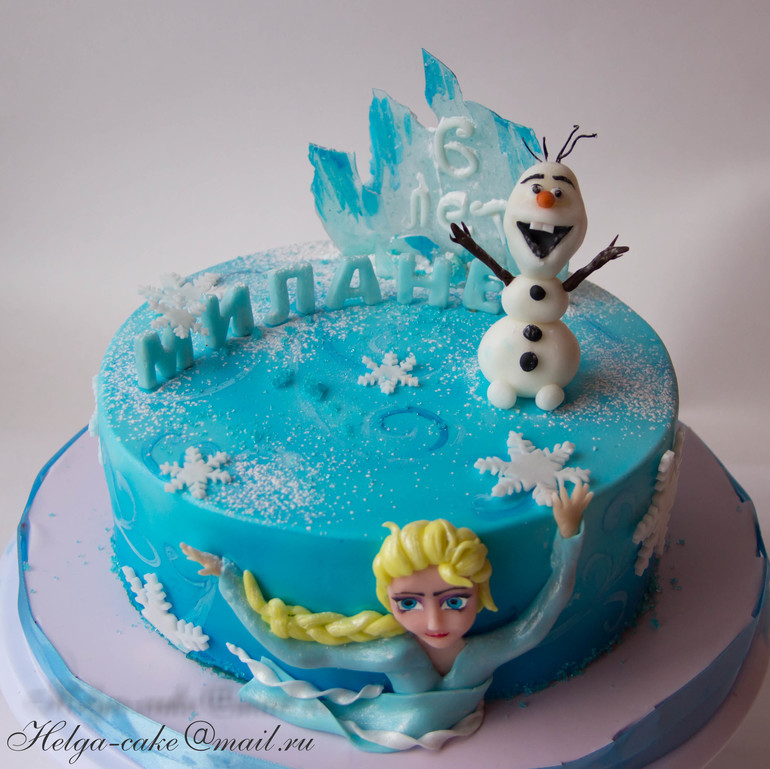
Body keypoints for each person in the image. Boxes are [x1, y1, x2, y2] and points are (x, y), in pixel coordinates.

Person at [181, 480, 591, 752]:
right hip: (385, 730)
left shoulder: (478, 655)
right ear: (388, 601)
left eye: (454, 602)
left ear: (479, 592)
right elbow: (299, 654)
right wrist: (229, 581)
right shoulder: (397, 652)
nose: (434, 622)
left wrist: (568, 539)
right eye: (408, 604)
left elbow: (535, 625)